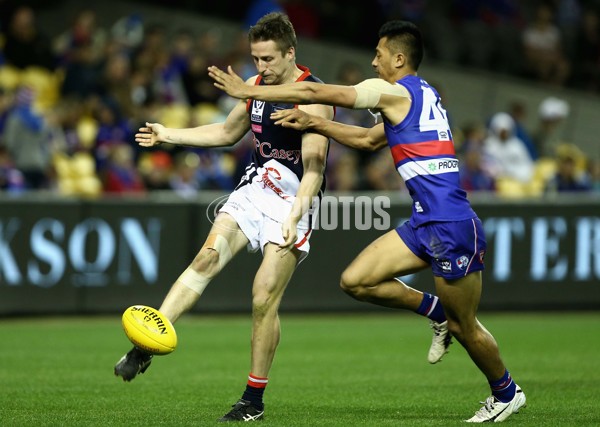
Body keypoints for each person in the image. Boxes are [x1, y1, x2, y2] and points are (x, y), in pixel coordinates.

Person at [209, 19, 526, 423]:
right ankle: (435, 312)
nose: (373, 63)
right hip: (425, 221)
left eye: (378, 55)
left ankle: (506, 391)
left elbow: (311, 90)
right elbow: (368, 140)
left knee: (465, 327)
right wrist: (317, 123)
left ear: (398, 58)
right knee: (356, 280)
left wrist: (249, 90)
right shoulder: (420, 93)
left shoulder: (391, 90)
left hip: (450, 224)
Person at [113, 13, 334, 422]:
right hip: (255, 189)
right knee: (205, 259)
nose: (261, 67)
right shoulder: (253, 87)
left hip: (293, 201)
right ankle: (145, 346)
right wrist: (170, 135)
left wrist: (297, 214)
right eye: (256, 59)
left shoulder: (316, 95)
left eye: (268, 59)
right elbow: (226, 133)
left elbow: (316, 168)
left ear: (291, 52)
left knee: (263, 296)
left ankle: (253, 400)